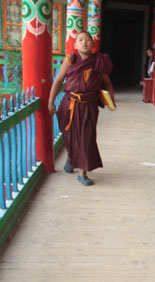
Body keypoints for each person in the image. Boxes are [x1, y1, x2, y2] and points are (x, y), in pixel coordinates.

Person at [48, 31, 115, 186]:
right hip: (69, 104)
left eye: (88, 40)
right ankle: (72, 158)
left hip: (89, 105)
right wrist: (51, 102)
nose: (84, 42)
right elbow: (58, 81)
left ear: (93, 44)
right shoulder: (71, 59)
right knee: (70, 135)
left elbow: (107, 83)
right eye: (80, 40)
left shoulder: (99, 61)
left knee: (86, 138)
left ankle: (82, 173)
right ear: (75, 45)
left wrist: (111, 100)